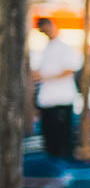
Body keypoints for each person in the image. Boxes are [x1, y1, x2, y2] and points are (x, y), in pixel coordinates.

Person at [32, 16, 79, 160]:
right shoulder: (46, 49)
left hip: (61, 100)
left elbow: (69, 70)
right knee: (50, 138)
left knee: (62, 139)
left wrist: (46, 77)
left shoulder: (64, 48)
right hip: (48, 101)